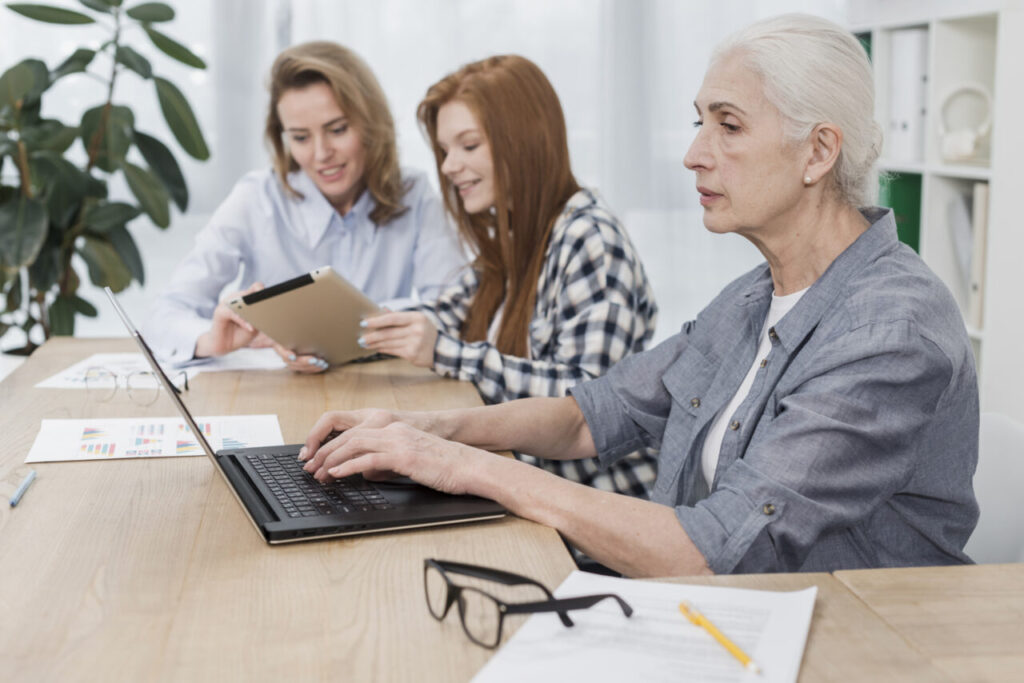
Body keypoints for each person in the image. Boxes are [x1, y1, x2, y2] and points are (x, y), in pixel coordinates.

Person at [298, 15, 979, 577]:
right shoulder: (754, 297)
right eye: (697, 122)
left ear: (818, 151)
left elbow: (711, 547)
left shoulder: (890, 329)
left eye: (729, 125)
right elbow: (593, 412)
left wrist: (464, 464)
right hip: (720, 611)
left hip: (843, 641)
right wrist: (426, 430)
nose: (693, 154)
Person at [355, 55, 659, 500]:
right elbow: (441, 317)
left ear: (524, 141)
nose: (448, 166)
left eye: (469, 146)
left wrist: (446, 352)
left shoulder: (590, 239)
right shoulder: (512, 233)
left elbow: (585, 405)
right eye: (444, 150)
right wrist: (331, 330)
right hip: (527, 485)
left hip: (594, 504)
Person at [144, 41, 466, 371]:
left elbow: (456, 311)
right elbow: (166, 313)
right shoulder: (257, 198)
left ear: (370, 122)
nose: (321, 153)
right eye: (300, 137)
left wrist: (329, 328)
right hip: (279, 391)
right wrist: (211, 339)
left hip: (384, 388)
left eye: (337, 130)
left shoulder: (414, 193)